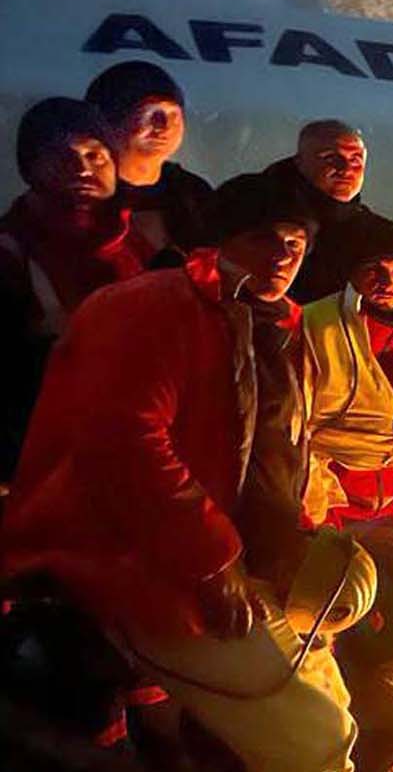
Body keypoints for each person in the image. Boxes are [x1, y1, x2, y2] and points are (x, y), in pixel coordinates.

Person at [1, 174, 367, 772]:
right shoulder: (152, 308)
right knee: (309, 733)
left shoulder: (278, 325)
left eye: (295, 243)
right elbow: (124, 444)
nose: (282, 255)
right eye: (262, 238)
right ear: (222, 239)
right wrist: (213, 562)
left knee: (331, 685)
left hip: (220, 557)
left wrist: (297, 534)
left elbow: (279, 450)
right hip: (126, 557)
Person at [302, 213, 393, 661]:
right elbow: (298, 427)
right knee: (338, 600)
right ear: (352, 273)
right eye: (375, 271)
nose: (388, 281)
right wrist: (315, 514)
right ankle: (341, 682)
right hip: (332, 497)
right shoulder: (318, 326)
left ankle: (392, 675)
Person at [1, 98, 152, 481]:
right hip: (41, 461)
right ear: (31, 168)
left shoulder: (143, 242)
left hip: (140, 450)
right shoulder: (12, 251)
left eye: (94, 155)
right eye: (62, 156)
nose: (82, 168)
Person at [231, 119, 377, 303]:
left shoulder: (374, 233)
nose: (346, 169)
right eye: (330, 157)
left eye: (355, 159)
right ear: (299, 161)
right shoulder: (249, 204)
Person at [84, 60, 213, 265]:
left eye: (173, 114)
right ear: (109, 121)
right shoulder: (82, 196)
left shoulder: (192, 194)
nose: (164, 126)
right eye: (150, 113)